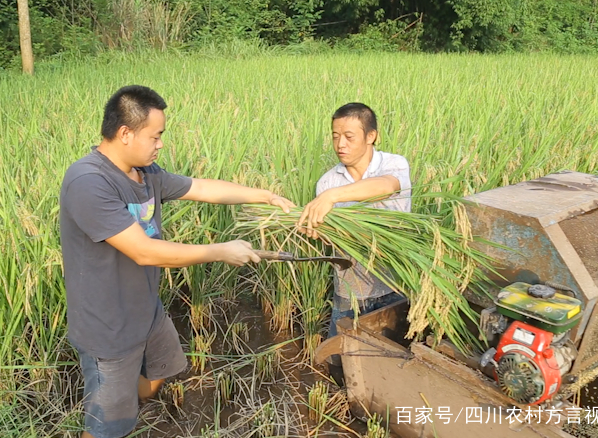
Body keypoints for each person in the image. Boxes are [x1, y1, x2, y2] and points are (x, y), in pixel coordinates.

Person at [59, 85, 295, 438]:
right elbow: (144, 251)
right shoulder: (89, 182)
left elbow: (202, 188)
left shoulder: (146, 173)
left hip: (145, 310)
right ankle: (116, 415)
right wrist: (220, 250)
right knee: (106, 427)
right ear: (125, 133)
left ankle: (129, 403)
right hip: (107, 326)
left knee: (159, 369)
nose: (160, 144)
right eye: (155, 136)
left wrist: (266, 196)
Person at [297, 102, 412, 382]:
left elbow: (387, 186)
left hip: (394, 282)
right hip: (351, 287)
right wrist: (319, 231)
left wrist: (333, 198)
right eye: (335, 136)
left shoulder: (394, 163)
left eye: (349, 136)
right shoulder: (327, 182)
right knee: (341, 359)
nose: (340, 144)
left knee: (396, 356)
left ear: (371, 136)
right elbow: (329, 235)